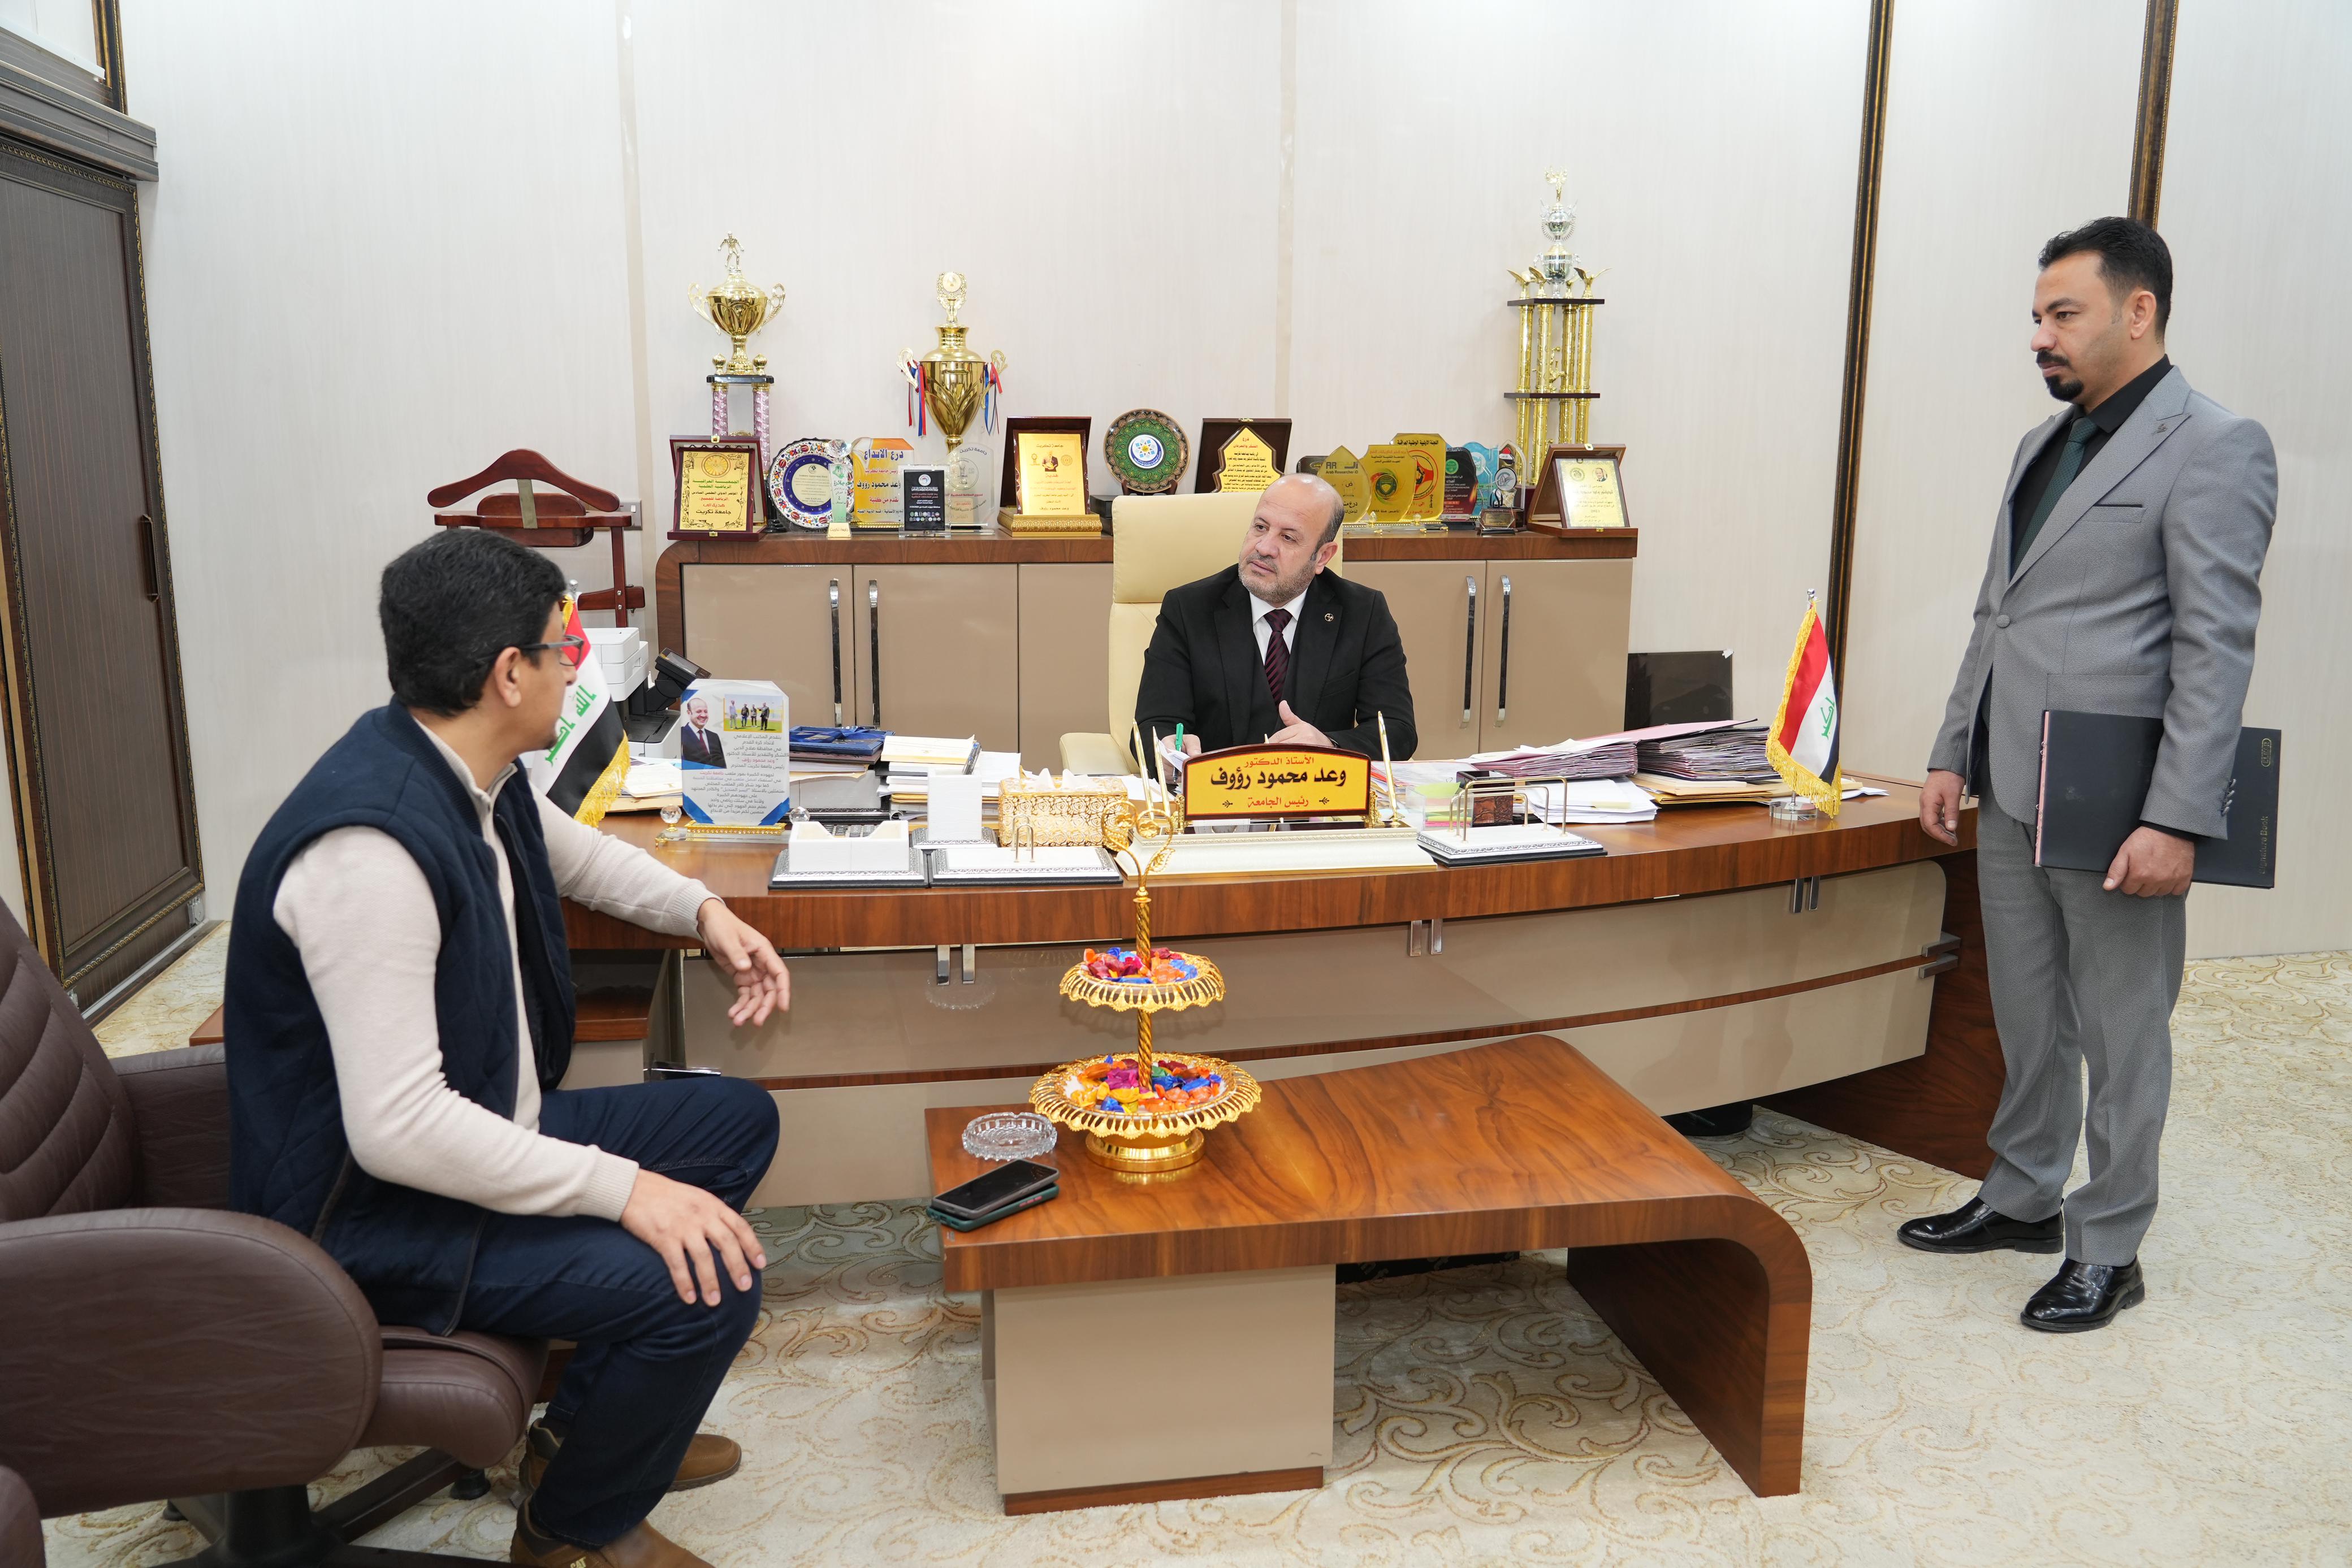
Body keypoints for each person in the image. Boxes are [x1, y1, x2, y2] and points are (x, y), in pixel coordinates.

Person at [226, 530, 793, 1568]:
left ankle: (580, 1441)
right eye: (562, 646)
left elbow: (586, 861)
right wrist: (624, 1189)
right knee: (709, 1281)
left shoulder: (468, 767)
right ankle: (575, 1528)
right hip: (371, 1211)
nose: (578, 666)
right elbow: (399, 1129)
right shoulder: (371, 850)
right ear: (508, 674)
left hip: (479, 1132)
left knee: (733, 1121)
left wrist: (706, 911)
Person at [1906, 217, 2276, 1332]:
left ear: (2138, 310)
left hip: (2117, 805)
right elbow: (1998, 614)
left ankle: (2109, 1243)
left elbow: (2215, 650)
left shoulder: (2216, 445)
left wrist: (2178, 819)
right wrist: (1952, 748)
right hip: (2011, 783)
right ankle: (2023, 1193)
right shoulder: (2043, 444)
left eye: (2062, 313)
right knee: (2026, 1011)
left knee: (2121, 1030)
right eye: (2036, 315)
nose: (2040, 335)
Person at [1135, 472, 1417, 762]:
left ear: (1322, 557)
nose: (1264, 547)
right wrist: (1167, 752)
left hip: (1316, 787)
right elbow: (1154, 726)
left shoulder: (1363, 612)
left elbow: (1397, 730)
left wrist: (1330, 746)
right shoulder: (1189, 609)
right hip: (1219, 785)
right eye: (1260, 527)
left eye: (1288, 537)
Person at [678, 695, 726, 767]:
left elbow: (721, 763)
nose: (704, 715)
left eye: (706, 711)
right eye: (699, 711)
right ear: (689, 713)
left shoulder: (714, 736)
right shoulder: (680, 734)